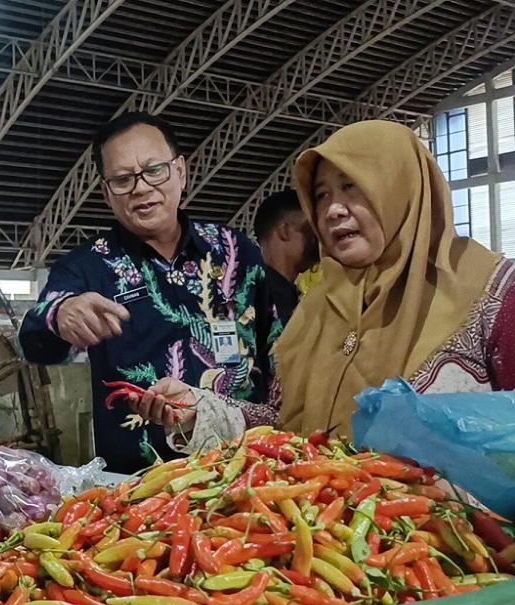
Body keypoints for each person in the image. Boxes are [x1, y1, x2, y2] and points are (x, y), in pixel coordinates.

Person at [132, 120, 515, 443]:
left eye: (352, 186)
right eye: (321, 195)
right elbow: (286, 431)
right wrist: (200, 409)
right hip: (320, 527)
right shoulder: (315, 310)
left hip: (457, 529)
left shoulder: (492, 292)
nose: (332, 210)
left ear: (400, 187)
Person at [19, 112, 283, 473]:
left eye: (153, 170)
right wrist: (59, 314)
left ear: (180, 172)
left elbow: (278, 348)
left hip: (249, 466)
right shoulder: (86, 267)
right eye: (122, 179)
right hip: (142, 483)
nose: (141, 188)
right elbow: (33, 342)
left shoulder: (236, 251)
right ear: (106, 193)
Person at [253, 190, 319, 324]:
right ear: (285, 231)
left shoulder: (253, 292)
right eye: (310, 230)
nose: (318, 239)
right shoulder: (259, 300)